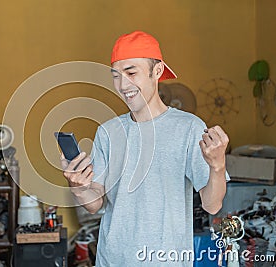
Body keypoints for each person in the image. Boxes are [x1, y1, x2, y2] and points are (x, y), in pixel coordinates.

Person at [61, 31, 229, 266]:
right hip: (113, 260)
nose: (122, 85)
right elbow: (94, 204)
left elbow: (212, 204)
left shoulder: (189, 128)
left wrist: (217, 165)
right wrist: (77, 185)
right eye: (116, 76)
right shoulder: (108, 132)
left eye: (131, 73)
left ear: (157, 71)